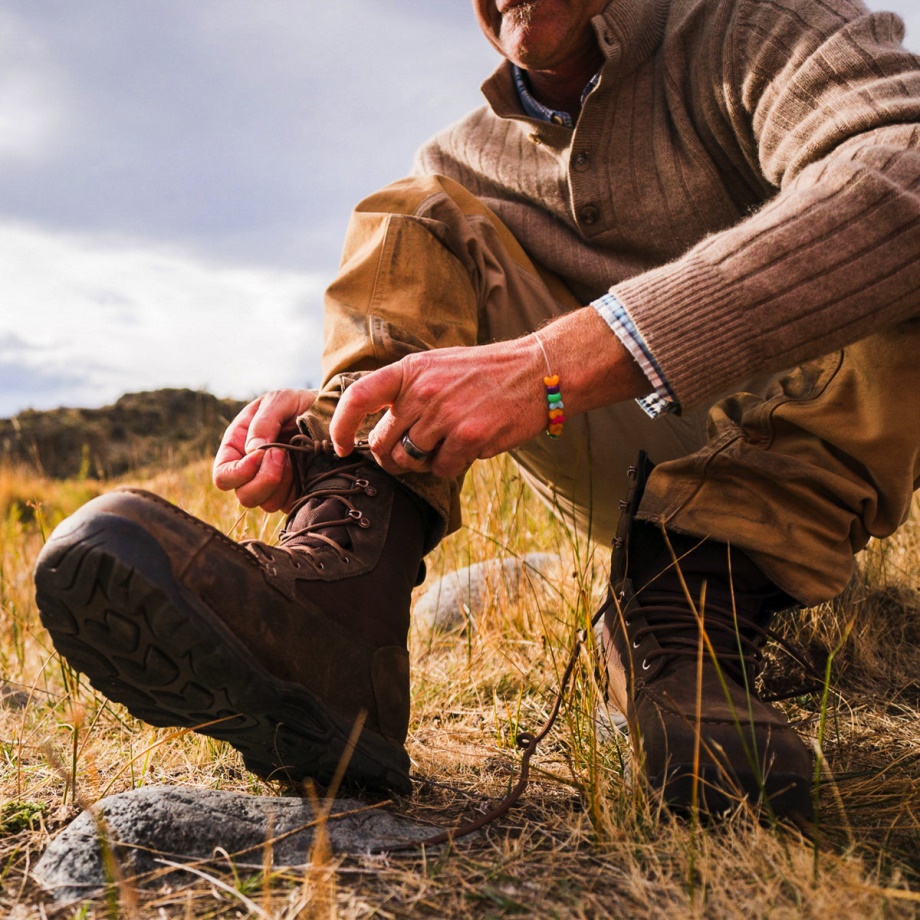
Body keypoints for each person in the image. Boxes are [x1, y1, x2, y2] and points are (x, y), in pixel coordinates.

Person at [34, 0, 920, 823]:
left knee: (889, 241)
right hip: (628, 451)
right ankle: (342, 626)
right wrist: (341, 422)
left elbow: (903, 176)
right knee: (413, 215)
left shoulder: (762, 25)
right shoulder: (462, 161)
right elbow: (435, 326)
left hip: (840, 449)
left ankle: (690, 607)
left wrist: (553, 364)